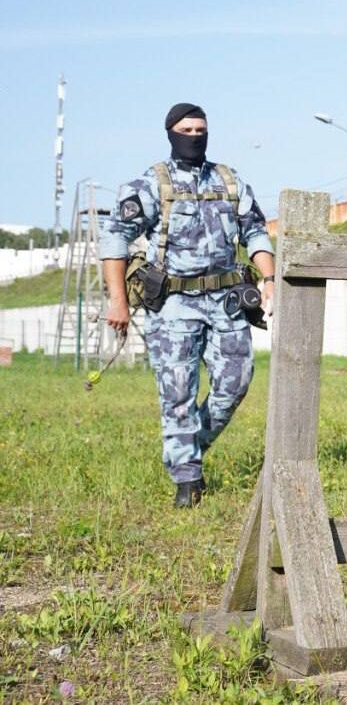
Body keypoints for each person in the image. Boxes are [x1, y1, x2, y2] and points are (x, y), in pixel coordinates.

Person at [101, 103, 275, 508]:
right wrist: (118, 301)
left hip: (227, 301)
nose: (195, 136)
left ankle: (188, 447)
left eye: (201, 129)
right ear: (171, 133)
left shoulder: (229, 180)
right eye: (187, 130)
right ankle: (187, 480)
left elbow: (255, 232)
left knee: (236, 382)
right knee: (177, 392)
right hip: (173, 305)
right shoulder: (150, 184)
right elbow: (115, 241)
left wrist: (269, 279)